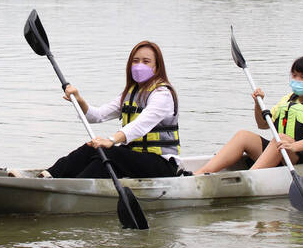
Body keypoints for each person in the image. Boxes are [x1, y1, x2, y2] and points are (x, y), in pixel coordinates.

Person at [12, 40, 181, 179]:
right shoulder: (130, 93)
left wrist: (112, 140)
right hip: (134, 159)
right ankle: (48, 176)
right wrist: (79, 100)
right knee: (92, 148)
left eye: (146, 61)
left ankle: (68, 188)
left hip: (161, 165)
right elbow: (97, 116)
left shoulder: (162, 94)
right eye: (135, 61)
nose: (139, 65)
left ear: (157, 67)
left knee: (110, 152)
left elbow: (141, 124)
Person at [194, 55, 303, 175]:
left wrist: (293, 146)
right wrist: (258, 104)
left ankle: (249, 178)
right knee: (243, 135)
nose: (296, 80)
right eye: (294, 75)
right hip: (285, 152)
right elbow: (263, 124)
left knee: (281, 139)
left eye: (302, 77)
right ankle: (200, 174)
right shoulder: (289, 99)